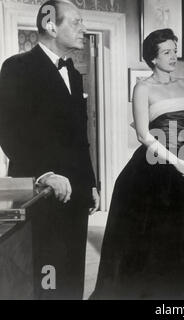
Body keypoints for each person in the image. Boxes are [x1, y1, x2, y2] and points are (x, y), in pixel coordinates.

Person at [91, 28, 184, 300]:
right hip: (155, 165)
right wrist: (176, 161)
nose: (174, 56)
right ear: (153, 58)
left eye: (175, 50)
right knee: (156, 238)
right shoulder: (143, 88)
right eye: (167, 52)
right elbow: (143, 134)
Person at [0, 0, 99, 299]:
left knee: (71, 273)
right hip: (40, 192)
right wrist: (44, 175)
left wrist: (90, 183)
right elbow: (8, 131)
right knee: (46, 274)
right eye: (77, 22)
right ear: (51, 25)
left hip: (77, 192)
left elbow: (79, 138)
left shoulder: (74, 72)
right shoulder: (17, 67)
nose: (84, 29)